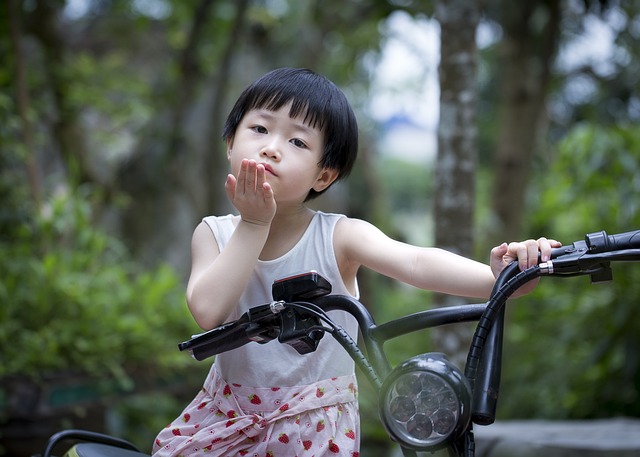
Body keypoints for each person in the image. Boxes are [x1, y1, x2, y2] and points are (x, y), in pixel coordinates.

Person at [152, 67, 559, 456]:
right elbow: (208, 311)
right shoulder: (214, 233)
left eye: (297, 142)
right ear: (230, 143)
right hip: (226, 421)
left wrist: (502, 278)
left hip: (311, 431)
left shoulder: (340, 235)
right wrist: (254, 224)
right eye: (259, 128)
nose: (271, 148)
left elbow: (416, 262)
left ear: (323, 177)